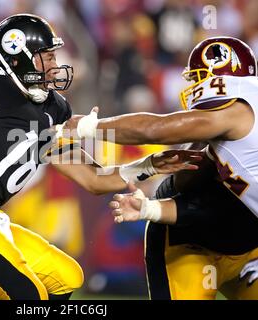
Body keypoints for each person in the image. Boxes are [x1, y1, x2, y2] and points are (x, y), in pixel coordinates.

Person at [0, 14, 199, 300]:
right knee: (28, 294)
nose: (55, 63)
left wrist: (148, 165)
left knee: (67, 277)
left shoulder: (54, 108)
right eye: (48, 56)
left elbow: (92, 179)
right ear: (18, 55)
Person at [61, 36, 258, 299]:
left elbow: (154, 129)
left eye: (197, 77)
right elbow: (181, 182)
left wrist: (90, 127)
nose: (194, 85)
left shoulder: (234, 114)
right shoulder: (227, 128)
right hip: (189, 240)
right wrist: (151, 183)